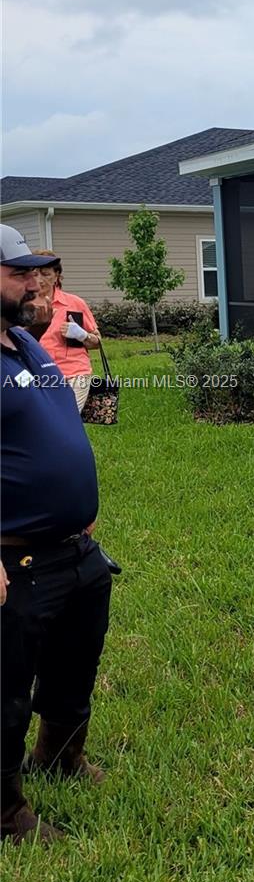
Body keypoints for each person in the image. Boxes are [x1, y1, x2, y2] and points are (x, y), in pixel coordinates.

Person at [0, 224, 114, 844]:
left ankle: (59, 757)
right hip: (13, 562)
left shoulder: (25, 342)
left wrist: (73, 500)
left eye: (38, 271)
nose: (35, 281)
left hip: (74, 550)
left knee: (75, 665)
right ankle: (6, 814)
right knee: (6, 688)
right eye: (19, 273)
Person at [32, 253, 103, 415]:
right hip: (36, 374)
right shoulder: (22, 304)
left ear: (57, 275)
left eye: (46, 273)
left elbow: (97, 342)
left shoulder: (74, 303)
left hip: (75, 374)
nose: (39, 279)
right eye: (34, 274)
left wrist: (82, 335)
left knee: (66, 419)